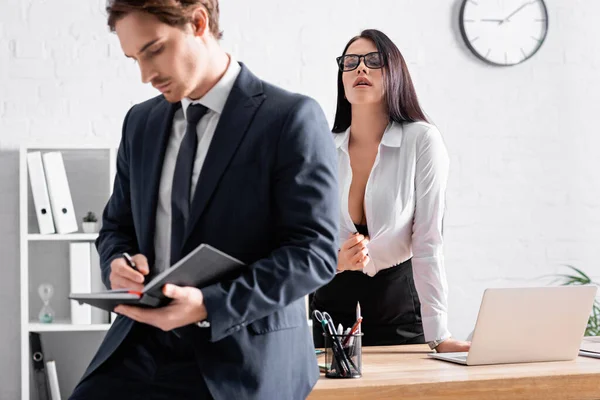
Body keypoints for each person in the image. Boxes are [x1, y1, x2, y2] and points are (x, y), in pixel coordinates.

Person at [69, 1, 339, 399]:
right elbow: (116, 227)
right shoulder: (140, 123)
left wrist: (210, 305)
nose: (145, 76)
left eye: (154, 50)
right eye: (133, 59)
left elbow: (314, 253)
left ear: (198, 22)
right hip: (140, 351)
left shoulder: (289, 118)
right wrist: (119, 263)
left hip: (240, 357)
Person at [311, 29, 470, 352]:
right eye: (350, 62)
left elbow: (428, 242)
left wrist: (439, 335)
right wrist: (335, 262)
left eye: (373, 61)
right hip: (330, 307)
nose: (360, 68)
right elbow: (304, 236)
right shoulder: (322, 146)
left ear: (395, 72)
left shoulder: (421, 140)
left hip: (400, 306)